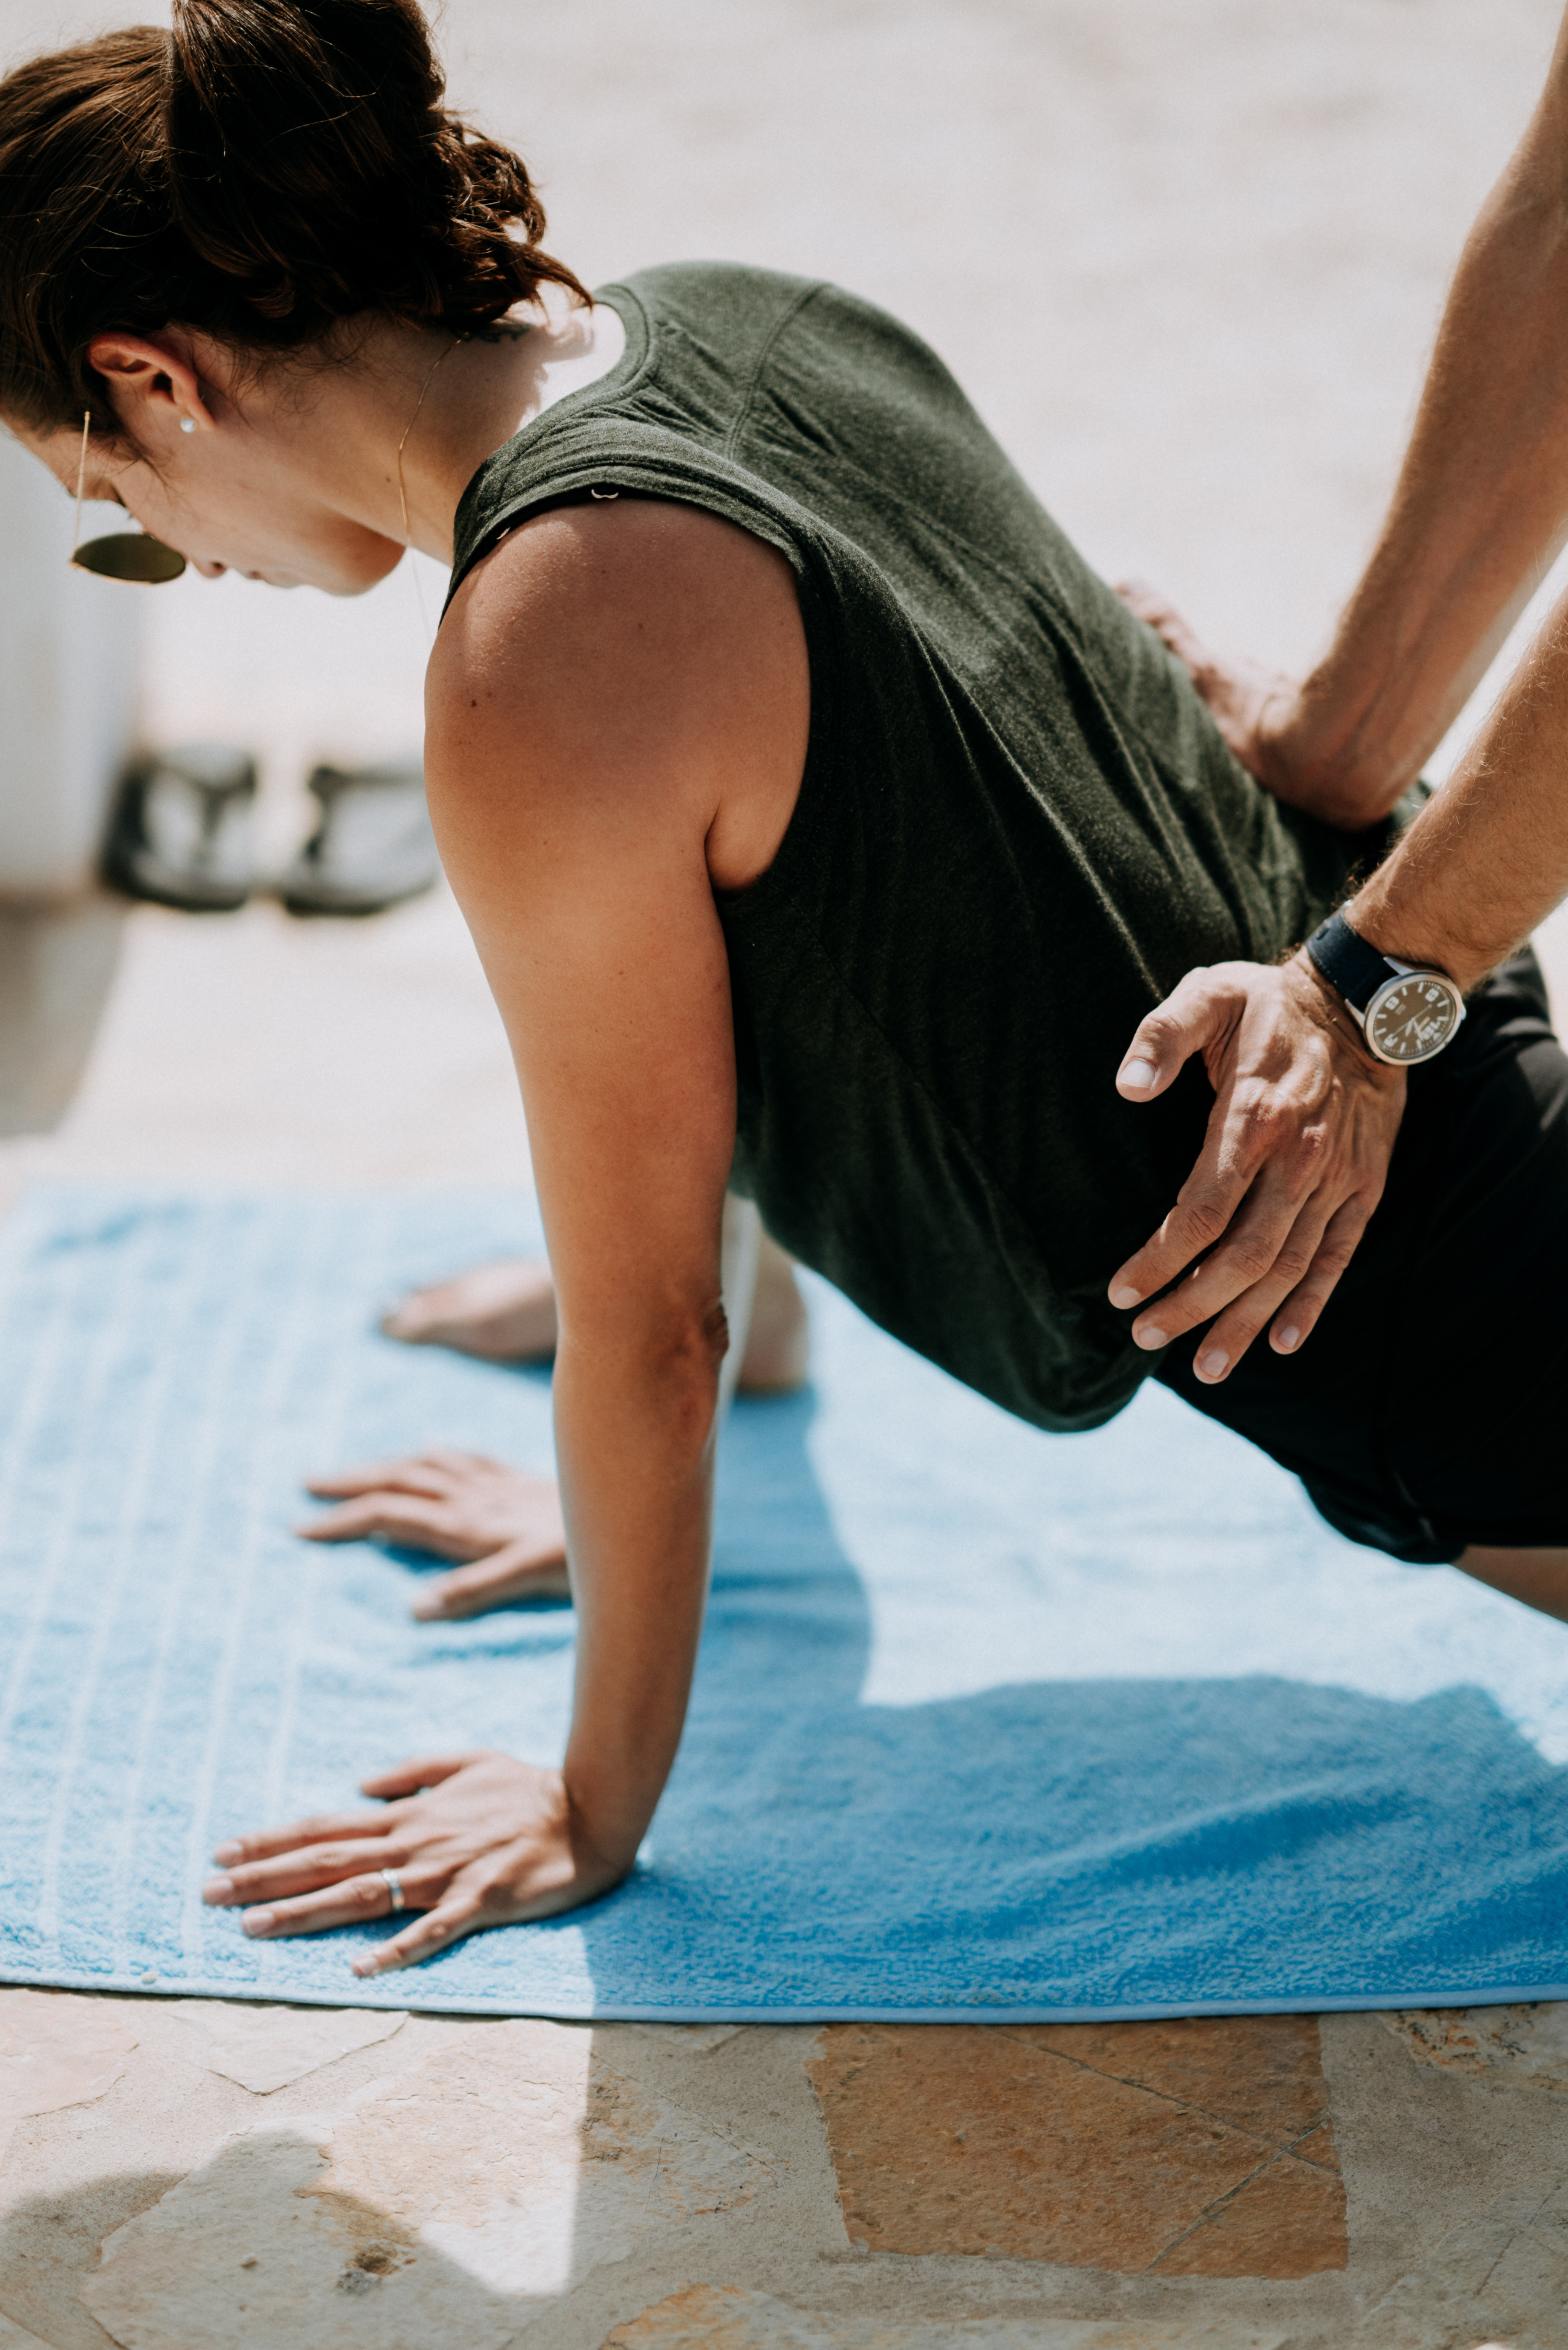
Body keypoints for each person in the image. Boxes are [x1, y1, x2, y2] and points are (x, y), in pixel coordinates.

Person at [3, 0, 1565, 1979]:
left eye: (111, 515)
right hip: (1454, 1059)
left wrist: (590, 1800)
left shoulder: (542, 658)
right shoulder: (738, 322)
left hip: (1437, 1339)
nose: (178, 554)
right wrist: (715, 1390)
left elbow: (645, 1326)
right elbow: (824, 947)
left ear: (152, 380)